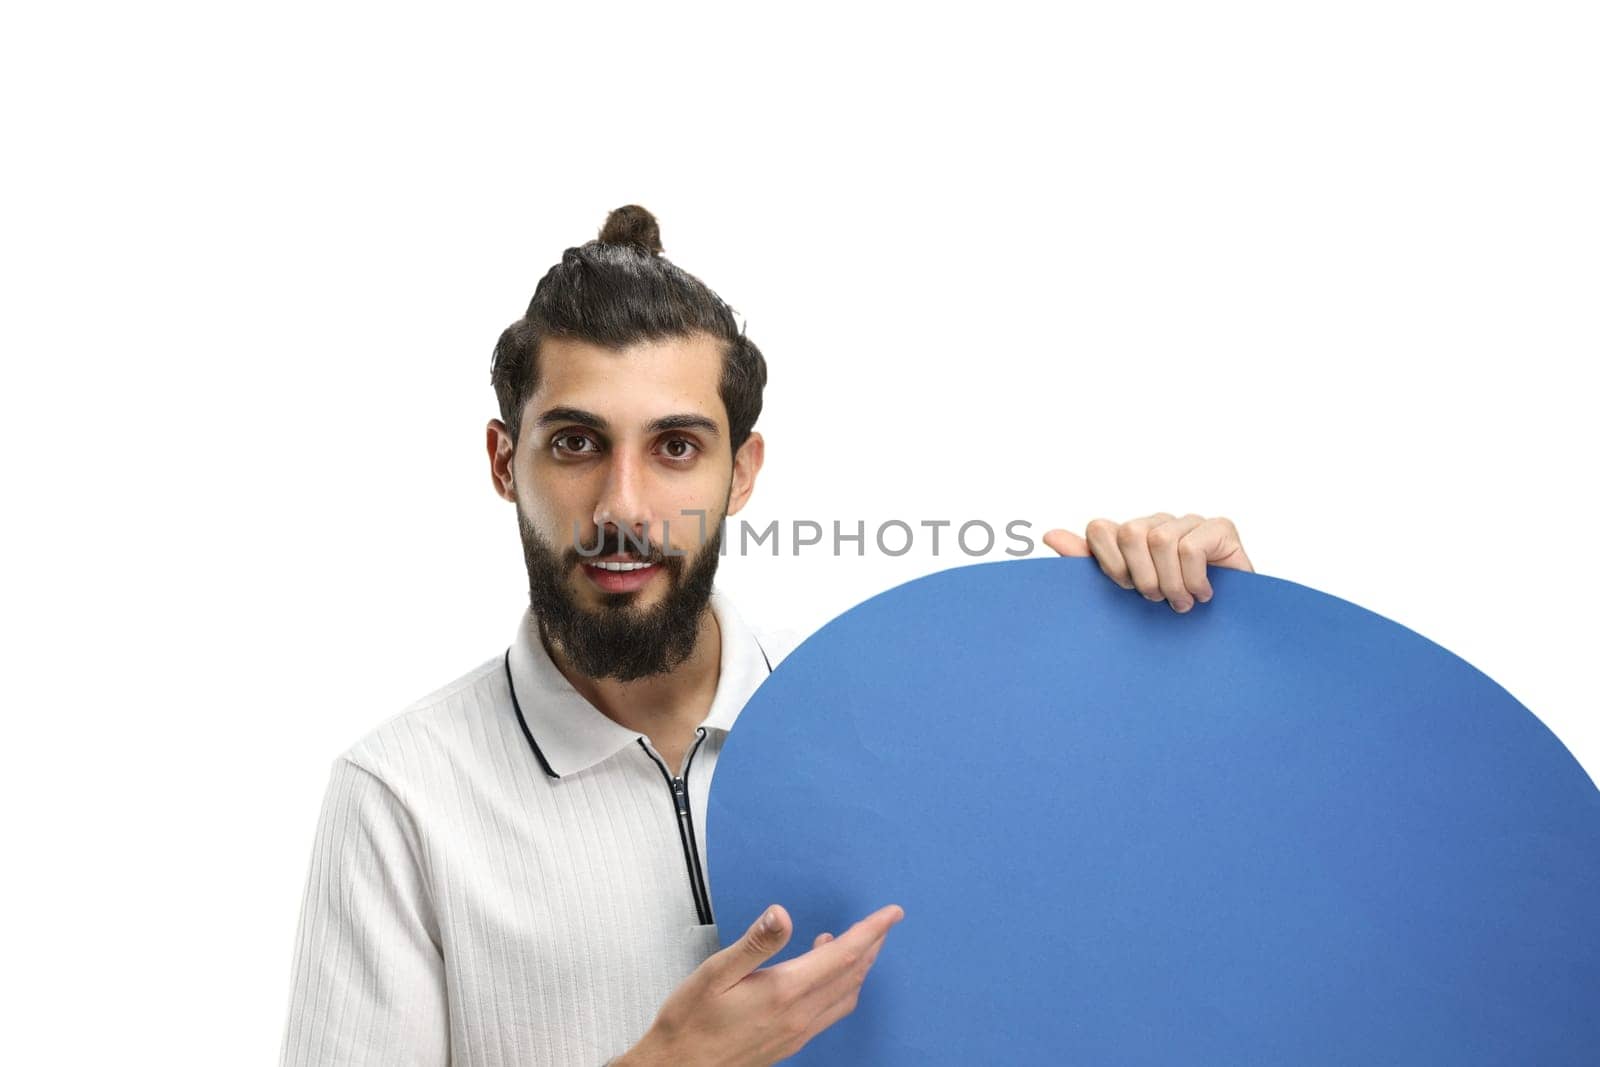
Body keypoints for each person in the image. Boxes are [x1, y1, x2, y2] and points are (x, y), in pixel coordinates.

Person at [276, 205, 1255, 1066]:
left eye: (675, 447)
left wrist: (1222, 641)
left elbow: (1159, 888)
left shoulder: (889, 709)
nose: (624, 503)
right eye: (575, 442)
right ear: (504, 461)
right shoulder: (399, 798)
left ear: (741, 473)